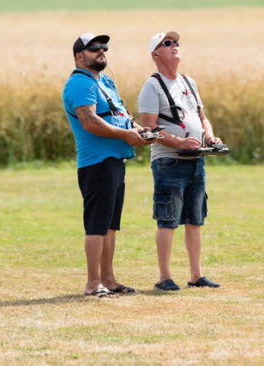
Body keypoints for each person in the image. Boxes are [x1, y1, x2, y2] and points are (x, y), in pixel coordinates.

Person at [62, 33, 151, 298]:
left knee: (111, 225)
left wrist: (138, 131)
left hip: (115, 160)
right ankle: (92, 284)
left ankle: (109, 280)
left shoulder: (106, 81)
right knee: (97, 225)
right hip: (97, 162)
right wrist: (125, 135)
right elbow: (89, 122)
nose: (102, 51)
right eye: (94, 48)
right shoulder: (80, 84)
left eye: (104, 47)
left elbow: (119, 116)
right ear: (79, 56)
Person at [137, 31, 222, 291]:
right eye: (167, 44)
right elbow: (149, 128)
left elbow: (201, 116)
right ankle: (164, 277)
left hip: (197, 160)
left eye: (176, 43)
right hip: (169, 163)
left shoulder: (188, 82)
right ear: (156, 54)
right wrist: (179, 142)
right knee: (168, 220)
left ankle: (196, 275)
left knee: (195, 220)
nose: (175, 47)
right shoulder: (151, 86)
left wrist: (209, 135)